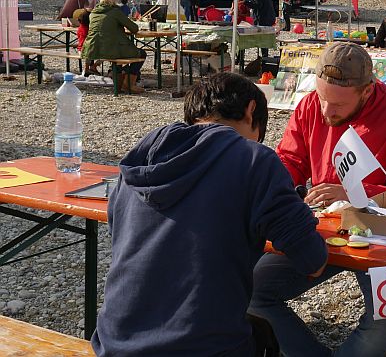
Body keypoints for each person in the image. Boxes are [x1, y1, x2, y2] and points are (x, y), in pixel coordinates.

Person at [91, 73, 327, 356]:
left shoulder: (143, 156)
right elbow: (312, 261)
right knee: (262, 335)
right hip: (202, 348)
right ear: (251, 110)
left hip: (114, 343)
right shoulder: (254, 160)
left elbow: (119, 234)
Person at [249, 42, 386, 357]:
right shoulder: (311, 105)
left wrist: (356, 194)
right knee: (252, 289)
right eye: (322, 98)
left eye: (336, 104)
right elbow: (290, 161)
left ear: (367, 91)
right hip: (324, 227)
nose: (326, 111)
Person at [81, 0, 147, 94]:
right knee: (141, 53)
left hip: (93, 49)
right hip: (111, 48)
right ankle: (129, 83)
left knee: (117, 57)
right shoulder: (115, 12)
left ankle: (119, 76)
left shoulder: (93, 14)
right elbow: (134, 28)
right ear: (113, 3)